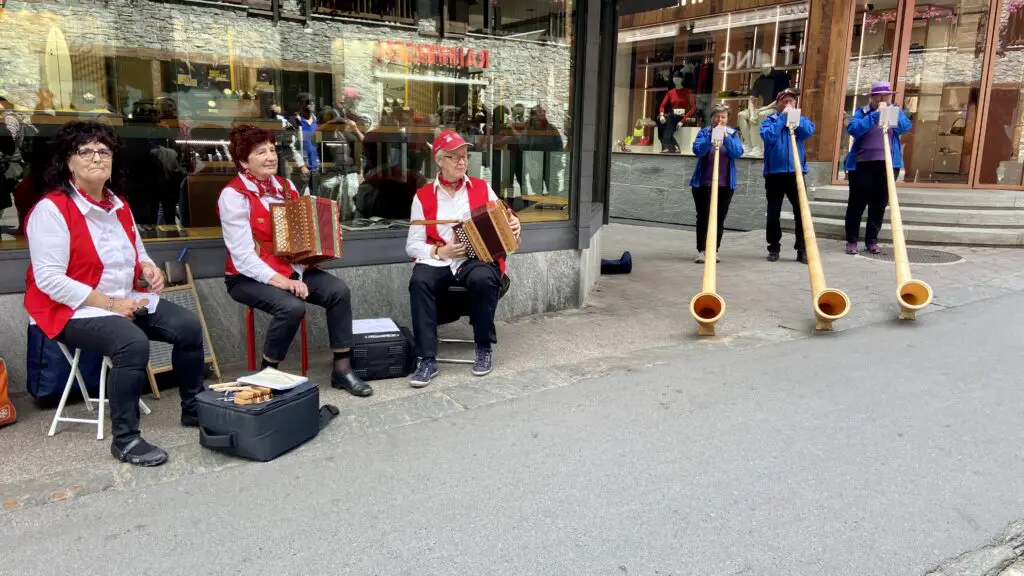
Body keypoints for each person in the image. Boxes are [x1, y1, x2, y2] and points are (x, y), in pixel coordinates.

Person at [24, 121, 205, 467]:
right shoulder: (52, 209)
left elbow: (136, 251)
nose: (97, 158)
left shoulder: (118, 204)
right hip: (71, 310)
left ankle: (194, 410)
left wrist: (148, 270)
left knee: (188, 327)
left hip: (122, 298)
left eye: (103, 151)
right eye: (86, 151)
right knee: (131, 342)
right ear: (67, 161)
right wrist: (110, 303)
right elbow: (49, 280)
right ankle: (125, 439)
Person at [217, 125, 372, 397]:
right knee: (291, 307)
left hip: (291, 269)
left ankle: (342, 369)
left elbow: (298, 239)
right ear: (243, 161)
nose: (270, 156)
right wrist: (285, 282)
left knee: (338, 291)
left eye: (272, 150)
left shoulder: (286, 187)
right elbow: (242, 257)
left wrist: (316, 250)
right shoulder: (233, 196)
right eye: (260, 152)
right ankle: (267, 375)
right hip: (246, 277)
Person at [405, 130, 521, 387]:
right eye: (454, 157)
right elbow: (412, 246)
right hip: (440, 258)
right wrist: (439, 252)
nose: (461, 161)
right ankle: (426, 358)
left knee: (483, 277)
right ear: (439, 160)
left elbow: (505, 217)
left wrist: (514, 223)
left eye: (464, 156)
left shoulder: (481, 187)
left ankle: (483, 346)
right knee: (419, 281)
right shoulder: (423, 196)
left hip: (475, 258)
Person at [844, 80, 912, 255]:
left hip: (887, 165)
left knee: (879, 204)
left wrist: (894, 113)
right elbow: (853, 129)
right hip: (863, 165)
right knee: (857, 204)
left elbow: (905, 127)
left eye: (886, 95)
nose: (882, 98)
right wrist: (874, 116)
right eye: (879, 96)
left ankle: (871, 240)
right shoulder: (862, 112)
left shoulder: (893, 111)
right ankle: (851, 240)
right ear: (872, 97)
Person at [760, 88, 816, 263]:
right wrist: (783, 118)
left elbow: (808, 132)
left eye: (792, 101)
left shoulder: (800, 119)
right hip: (774, 174)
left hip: (796, 173)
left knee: (801, 213)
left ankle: (802, 249)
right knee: (773, 213)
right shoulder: (770, 121)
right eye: (785, 101)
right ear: (778, 104)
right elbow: (768, 136)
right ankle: (774, 247)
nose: (789, 104)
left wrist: (795, 119)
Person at [689, 103, 743, 263]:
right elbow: (698, 150)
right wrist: (711, 138)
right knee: (703, 218)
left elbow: (738, 152)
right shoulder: (704, 133)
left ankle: (714, 250)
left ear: (727, 119)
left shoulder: (733, 134)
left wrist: (725, 137)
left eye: (723, 117)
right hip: (703, 185)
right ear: (712, 118)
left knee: (719, 219)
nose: (720, 119)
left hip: (725, 185)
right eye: (717, 116)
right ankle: (702, 250)